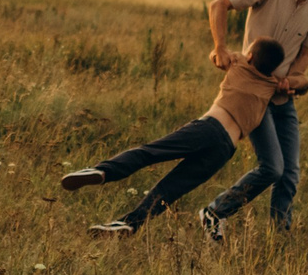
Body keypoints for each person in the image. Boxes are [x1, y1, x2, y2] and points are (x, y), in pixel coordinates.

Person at [63, 38, 290, 235]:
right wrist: (288, 84)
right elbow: (302, 84)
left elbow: (217, 56)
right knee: (171, 189)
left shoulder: (239, 63)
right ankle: (131, 224)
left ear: (250, 55)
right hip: (224, 150)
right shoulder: (271, 86)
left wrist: (219, 52)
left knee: (149, 153)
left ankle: (102, 171)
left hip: (208, 129)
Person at [196, 0, 308, 240]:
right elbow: (219, 4)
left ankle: (279, 239)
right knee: (272, 168)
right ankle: (215, 213)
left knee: (290, 173)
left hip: (282, 98)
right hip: (253, 94)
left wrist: (293, 81)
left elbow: (303, 59)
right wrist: (220, 48)